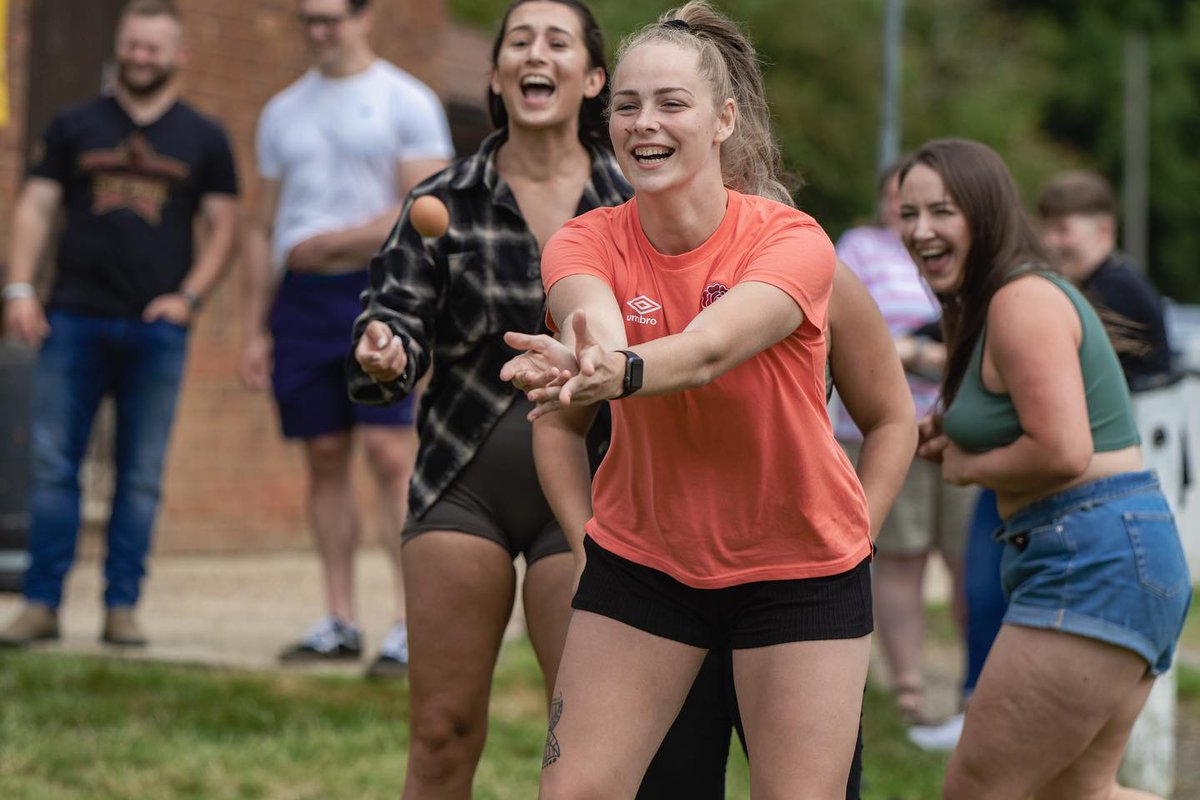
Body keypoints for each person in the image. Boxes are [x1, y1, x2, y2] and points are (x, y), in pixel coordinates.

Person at [502, 4, 914, 796]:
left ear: (723, 119)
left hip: (799, 569)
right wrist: (589, 352)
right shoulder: (582, 239)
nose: (644, 124)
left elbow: (709, 349)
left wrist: (859, 530)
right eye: (626, 105)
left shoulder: (790, 241)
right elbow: (594, 314)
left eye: (670, 103)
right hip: (646, 563)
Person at [348, 1, 628, 795]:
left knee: (583, 746)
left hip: (591, 491)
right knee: (442, 734)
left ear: (593, 77)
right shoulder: (445, 201)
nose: (536, 54)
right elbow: (393, 317)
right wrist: (384, 349)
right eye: (519, 42)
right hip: (460, 486)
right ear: (499, 74)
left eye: (558, 42)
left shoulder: (631, 207)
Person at [899, 138, 1190, 799]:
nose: (920, 230)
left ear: (987, 213)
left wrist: (969, 464)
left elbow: (1064, 450)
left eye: (941, 211)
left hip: (1093, 556)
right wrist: (957, 434)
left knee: (977, 790)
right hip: (1106, 549)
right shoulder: (993, 304)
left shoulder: (1020, 300)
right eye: (908, 213)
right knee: (1078, 793)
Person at [0, 0, 239, 648]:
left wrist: (189, 298)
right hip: (70, 319)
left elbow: (225, 227)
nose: (140, 57)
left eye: (153, 48)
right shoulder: (75, 124)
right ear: (120, 45)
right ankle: (41, 604)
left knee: (139, 475)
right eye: (132, 45)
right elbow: (35, 207)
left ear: (177, 55)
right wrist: (20, 288)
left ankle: (121, 607)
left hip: (156, 330)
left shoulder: (204, 136)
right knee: (53, 468)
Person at [240, 0, 452, 677]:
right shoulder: (281, 111)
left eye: (332, 17)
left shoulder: (406, 101)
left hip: (377, 292)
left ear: (366, 18)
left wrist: (331, 242)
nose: (320, 31)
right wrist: (253, 325)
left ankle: (408, 624)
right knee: (324, 456)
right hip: (299, 304)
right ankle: (338, 621)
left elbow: (426, 211)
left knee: (391, 453)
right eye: (309, 19)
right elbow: (260, 226)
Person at [835, 163, 977, 728]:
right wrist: (919, 354)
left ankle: (976, 686)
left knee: (971, 560)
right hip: (881, 429)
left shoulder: (966, 251)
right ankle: (909, 692)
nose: (909, 213)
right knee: (898, 558)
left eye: (926, 203)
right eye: (900, 200)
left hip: (961, 424)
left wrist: (914, 352)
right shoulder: (861, 249)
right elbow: (845, 332)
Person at [1037, 169, 1174, 391]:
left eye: (1063, 230)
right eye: (1046, 228)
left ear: (1104, 230)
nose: (1048, 242)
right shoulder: (1113, 277)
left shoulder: (1115, 288)